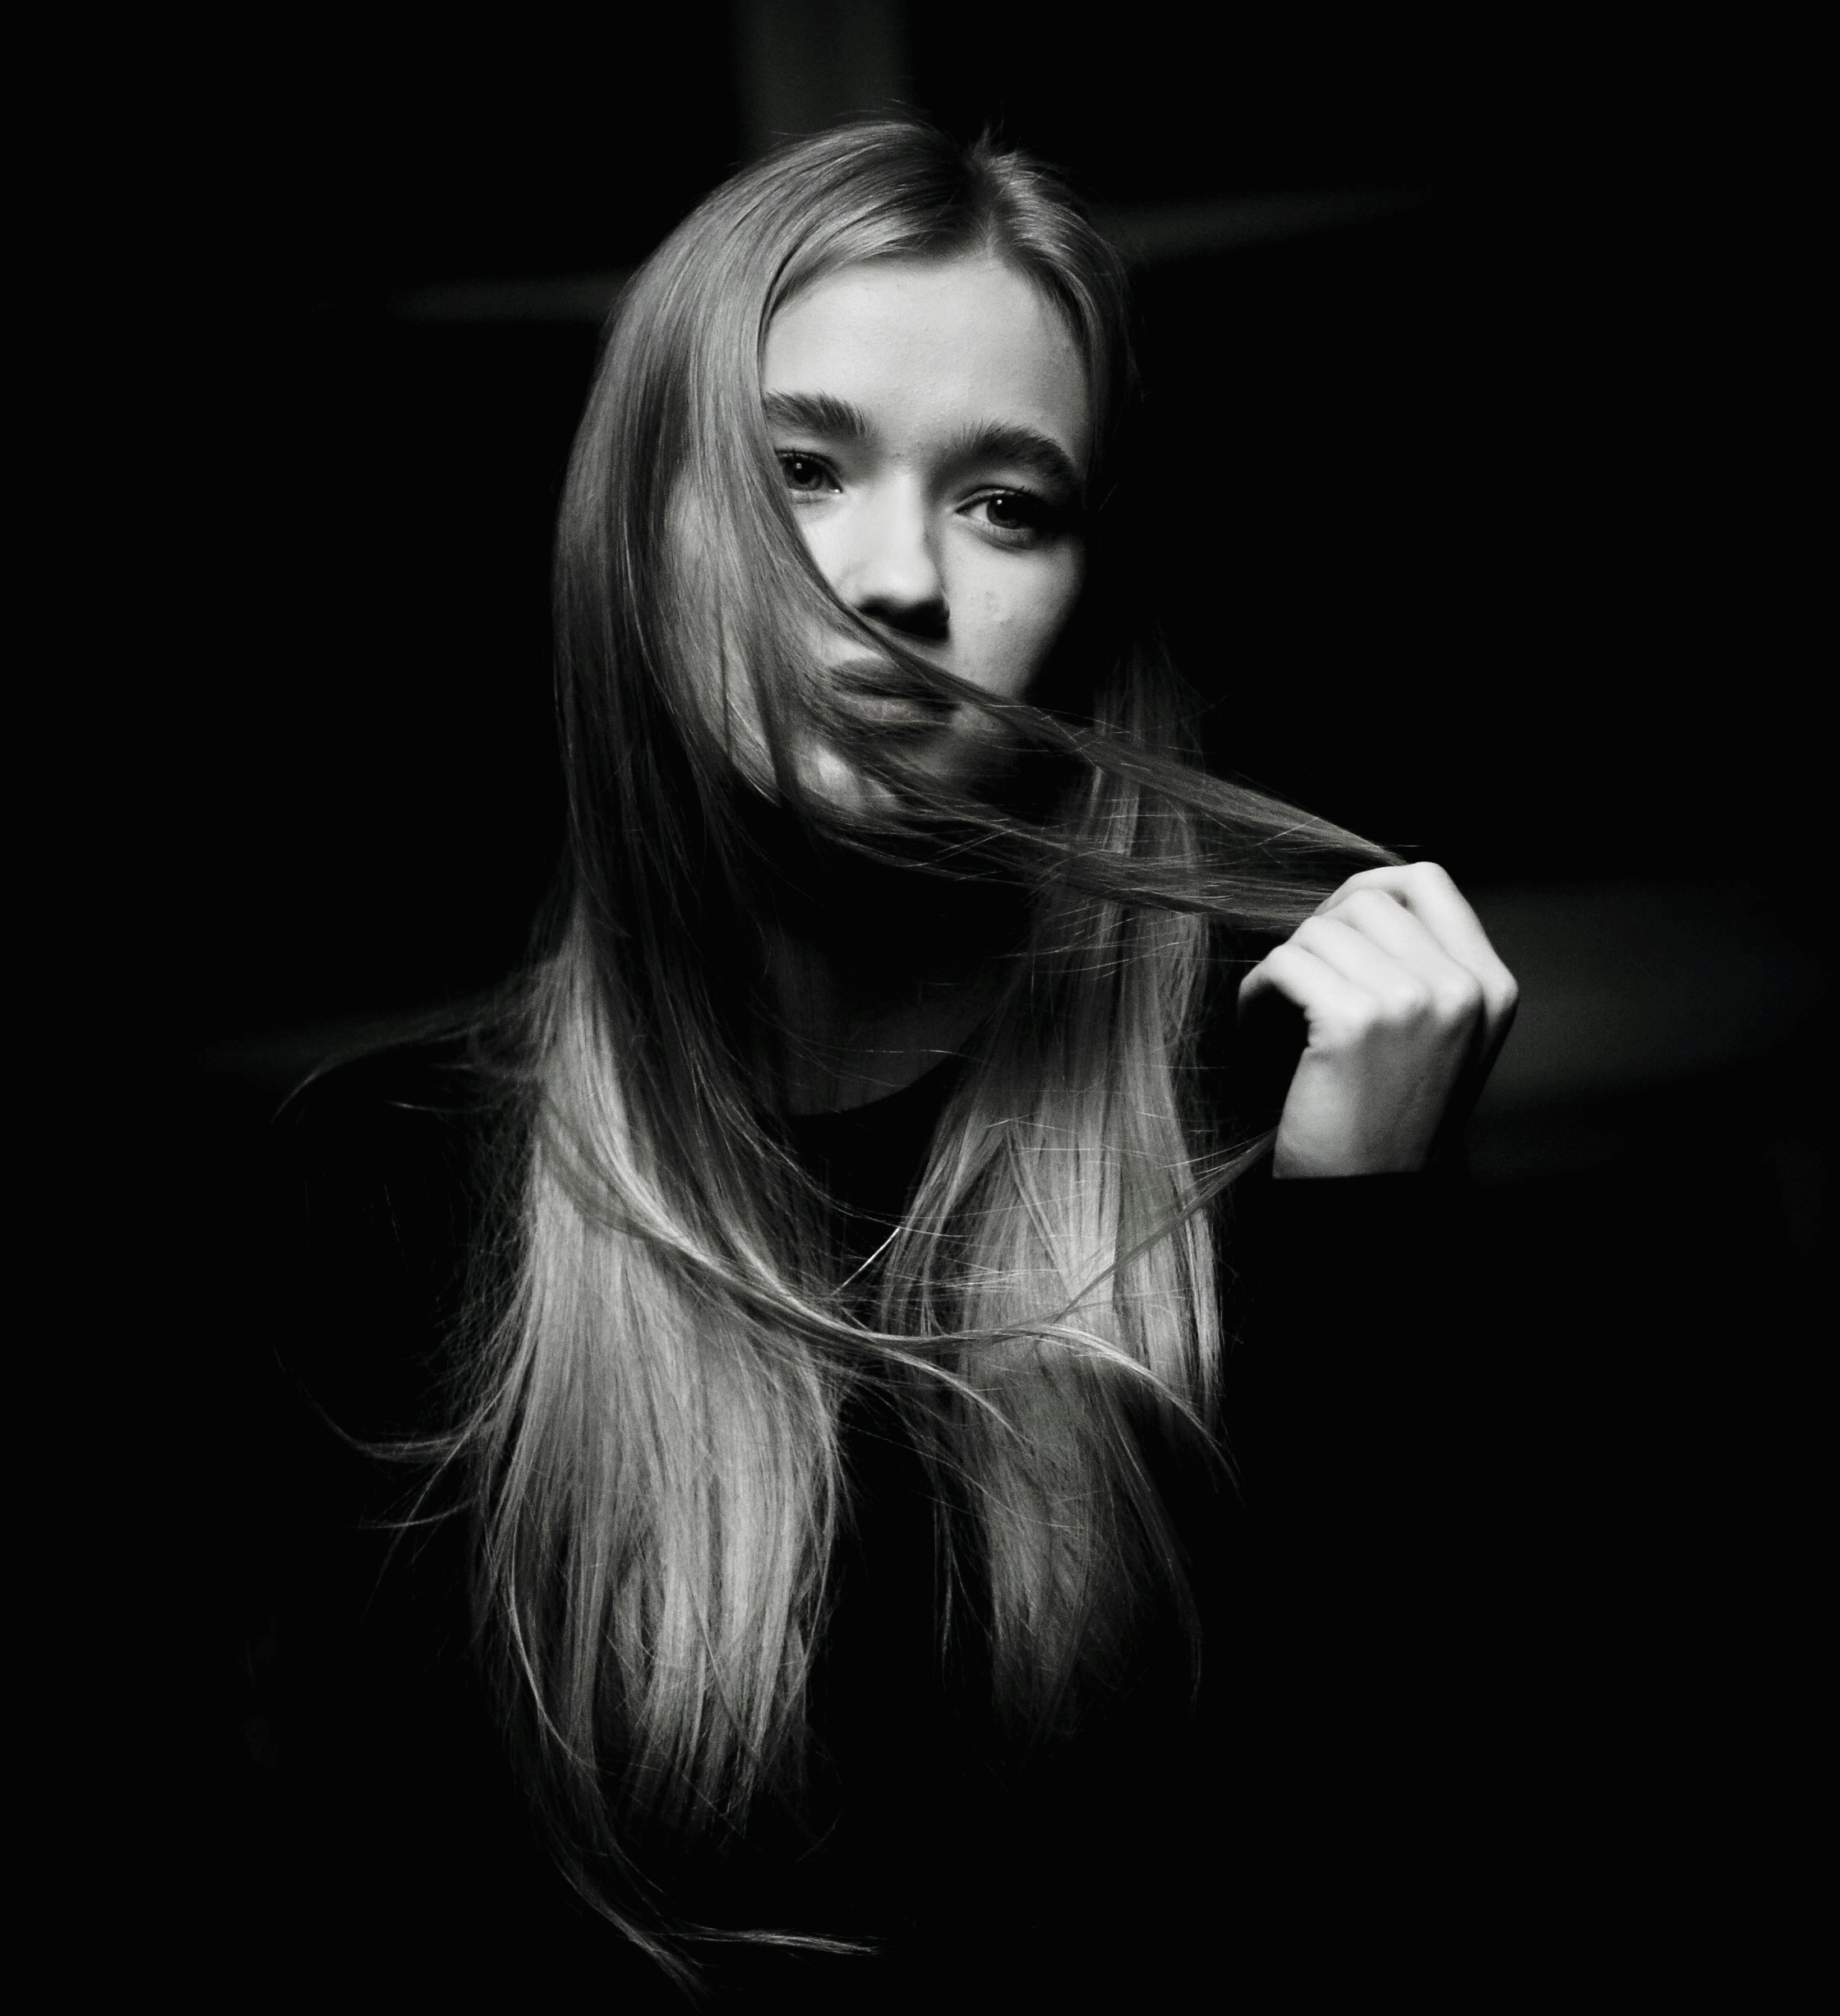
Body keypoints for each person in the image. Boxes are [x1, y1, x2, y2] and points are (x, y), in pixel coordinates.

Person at [244, 118, 1520, 2006]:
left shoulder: (1266, 1115)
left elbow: (1363, 1876)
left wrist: (1366, 1234)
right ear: (639, 516)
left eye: (1008, 502)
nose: (896, 581)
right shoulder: (389, 1191)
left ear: (1096, 597)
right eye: (800, 470)